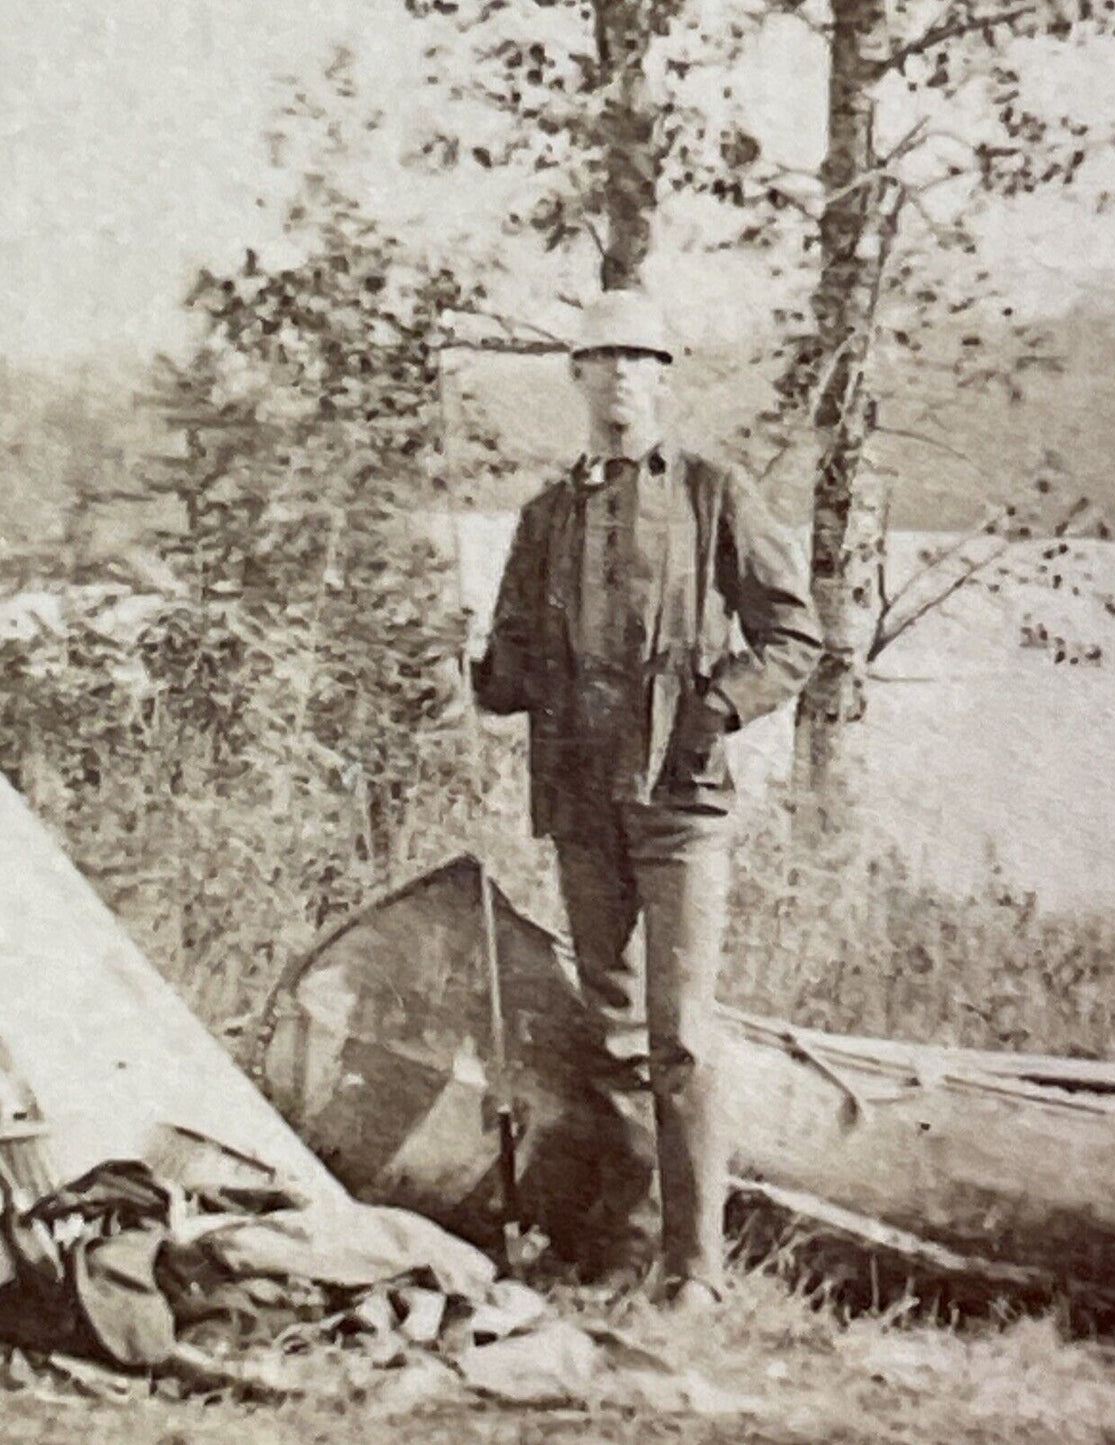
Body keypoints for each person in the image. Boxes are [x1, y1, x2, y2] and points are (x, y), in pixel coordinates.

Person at [472, 289, 822, 1311]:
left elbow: (792, 637)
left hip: (678, 808)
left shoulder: (712, 490)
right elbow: (511, 671)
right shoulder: (546, 513)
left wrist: (716, 705)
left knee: (681, 1037)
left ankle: (695, 1267)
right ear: (575, 376)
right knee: (614, 1031)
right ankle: (625, 1249)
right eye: (601, 358)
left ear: (662, 378)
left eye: (639, 359)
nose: (620, 375)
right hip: (579, 804)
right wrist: (477, 668)